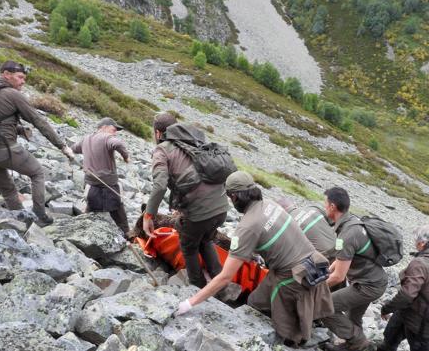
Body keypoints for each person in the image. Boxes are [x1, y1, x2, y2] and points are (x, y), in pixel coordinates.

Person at [174, 171, 334, 348]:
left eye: (229, 196)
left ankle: (285, 340)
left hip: (292, 276)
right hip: (313, 262)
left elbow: (225, 277)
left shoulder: (248, 226)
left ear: (234, 197)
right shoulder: (270, 204)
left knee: (265, 312)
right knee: (255, 300)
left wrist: (190, 302)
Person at [0, 61, 74, 225]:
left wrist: (18, 129)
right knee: (37, 173)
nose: (23, 81)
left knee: (8, 190)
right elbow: (38, 120)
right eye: (20, 77)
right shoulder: (13, 94)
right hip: (4, 149)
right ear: (6, 74)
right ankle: (40, 215)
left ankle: (22, 223)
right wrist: (62, 146)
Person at [143, 112, 228, 288]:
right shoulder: (194, 142)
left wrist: (148, 215)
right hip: (221, 206)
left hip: (201, 213)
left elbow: (159, 186)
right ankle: (222, 285)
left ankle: (198, 289)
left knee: (188, 245)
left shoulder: (162, 149)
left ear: (158, 133)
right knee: (204, 239)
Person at [321, 187, 387, 351]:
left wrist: (317, 289)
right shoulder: (352, 222)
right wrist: (326, 272)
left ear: (332, 206)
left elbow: (338, 277)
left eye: (325, 203)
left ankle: (358, 343)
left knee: (324, 306)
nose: (324, 207)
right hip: (375, 282)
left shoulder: (348, 234)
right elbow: (341, 258)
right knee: (354, 316)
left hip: (368, 286)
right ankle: (353, 346)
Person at [377, 225, 429, 351]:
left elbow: (407, 295)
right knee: (389, 341)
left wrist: (386, 308)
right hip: (428, 320)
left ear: (423, 243)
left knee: (389, 343)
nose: (415, 243)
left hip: (419, 323)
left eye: (416, 241)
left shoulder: (421, 263)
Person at [71, 117, 129, 235]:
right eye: (114, 129)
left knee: (91, 209)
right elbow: (118, 143)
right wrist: (126, 157)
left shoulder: (86, 139)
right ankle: (127, 234)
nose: (115, 132)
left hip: (91, 184)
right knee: (118, 211)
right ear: (104, 127)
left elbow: (73, 149)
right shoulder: (107, 137)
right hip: (109, 184)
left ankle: (84, 234)